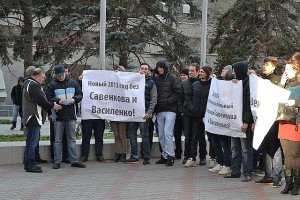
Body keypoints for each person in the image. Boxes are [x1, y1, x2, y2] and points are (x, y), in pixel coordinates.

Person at [23, 67, 62, 173]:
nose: (43, 79)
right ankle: (31, 164)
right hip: (34, 117)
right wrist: (53, 106)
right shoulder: (34, 85)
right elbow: (42, 101)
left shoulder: (27, 83)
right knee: (32, 142)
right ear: (37, 75)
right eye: (42, 77)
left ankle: (28, 163)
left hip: (30, 117)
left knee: (30, 142)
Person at [47, 65, 85, 169]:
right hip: (58, 117)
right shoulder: (52, 85)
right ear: (56, 75)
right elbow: (48, 98)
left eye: (62, 75)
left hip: (71, 115)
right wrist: (58, 100)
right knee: (58, 140)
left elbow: (80, 94)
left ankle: (74, 160)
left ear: (66, 73)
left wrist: (74, 99)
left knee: (72, 139)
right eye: (58, 75)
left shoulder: (73, 82)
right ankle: (57, 161)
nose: (60, 77)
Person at [254, 57, 284, 187]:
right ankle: (268, 175)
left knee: (275, 148)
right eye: (263, 64)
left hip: (273, 120)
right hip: (262, 120)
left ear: (273, 67)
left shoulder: (277, 80)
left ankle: (276, 176)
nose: (264, 66)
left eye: (267, 64)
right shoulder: (260, 80)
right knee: (265, 148)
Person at [224, 62, 254, 182]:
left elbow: (248, 105)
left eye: (236, 71)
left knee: (245, 149)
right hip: (234, 121)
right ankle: (235, 171)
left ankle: (247, 172)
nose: (234, 73)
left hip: (243, 122)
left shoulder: (249, 84)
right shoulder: (237, 83)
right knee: (235, 148)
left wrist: (246, 122)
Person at [278, 52, 300, 195]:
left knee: (295, 155)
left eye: (289, 69)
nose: (286, 72)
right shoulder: (285, 84)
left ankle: (296, 184)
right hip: (283, 122)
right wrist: (281, 82)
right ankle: (288, 182)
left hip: (296, 123)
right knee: (286, 155)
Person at [127, 63, 157, 165]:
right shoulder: (132, 80)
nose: (144, 70)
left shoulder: (151, 83)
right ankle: (134, 156)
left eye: (146, 69)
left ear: (148, 71)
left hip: (144, 113)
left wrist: (149, 112)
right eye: (142, 68)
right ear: (139, 69)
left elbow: (154, 99)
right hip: (132, 113)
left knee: (145, 136)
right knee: (132, 135)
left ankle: (146, 157)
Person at [154, 60, 181, 166]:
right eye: (158, 67)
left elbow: (178, 92)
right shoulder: (156, 79)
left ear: (165, 67)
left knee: (167, 133)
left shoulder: (172, 78)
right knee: (160, 134)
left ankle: (171, 155)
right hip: (160, 110)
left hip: (170, 110)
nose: (159, 69)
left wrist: (168, 101)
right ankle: (164, 155)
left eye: (161, 67)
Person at [208, 65, 233, 175]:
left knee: (225, 143)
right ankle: (220, 162)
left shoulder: (233, 83)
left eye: (225, 69)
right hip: (215, 117)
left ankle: (227, 165)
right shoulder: (217, 81)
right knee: (215, 141)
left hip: (225, 118)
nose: (222, 70)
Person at [80, 72, 106, 162]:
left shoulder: (104, 86)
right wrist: (80, 80)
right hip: (87, 115)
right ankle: (84, 155)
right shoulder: (84, 83)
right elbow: (78, 90)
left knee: (99, 137)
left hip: (99, 116)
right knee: (86, 137)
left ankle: (99, 155)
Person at [111, 66, 128, 163]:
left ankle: (123, 153)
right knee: (116, 134)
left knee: (122, 135)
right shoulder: (111, 84)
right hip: (113, 113)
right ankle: (118, 152)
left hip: (123, 113)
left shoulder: (126, 84)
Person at [173, 69, 188, 160]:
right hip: (177, 113)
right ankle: (178, 152)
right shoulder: (177, 85)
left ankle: (187, 153)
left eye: (184, 75)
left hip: (186, 113)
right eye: (181, 75)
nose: (182, 76)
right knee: (177, 134)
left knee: (187, 135)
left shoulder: (191, 85)